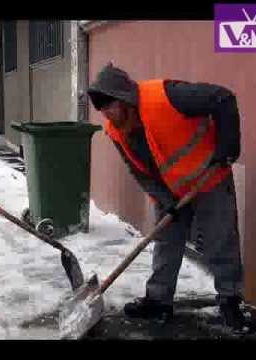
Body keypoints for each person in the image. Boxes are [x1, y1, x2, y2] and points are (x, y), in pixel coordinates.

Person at [87, 63, 245, 330]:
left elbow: (223, 98)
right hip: (172, 191)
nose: (107, 113)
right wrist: (165, 199)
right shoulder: (116, 129)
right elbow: (138, 171)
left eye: (109, 105)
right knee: (166, 243)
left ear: (125, 97)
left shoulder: (170, 96)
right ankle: (158, 300)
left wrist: (227, 146)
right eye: (101, 108)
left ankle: (230, 301)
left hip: (210, 177)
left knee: (221, 240)